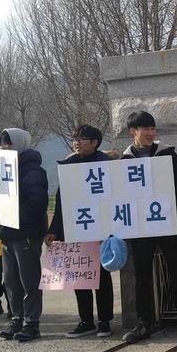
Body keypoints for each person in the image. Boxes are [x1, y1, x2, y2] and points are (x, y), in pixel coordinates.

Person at [120, 111, 177, 342]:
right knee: (142, 276)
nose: (150, 133)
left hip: (168, 225)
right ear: (132, 132)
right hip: (141, 229)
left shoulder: (167, 154)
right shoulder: (125, 161)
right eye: (145, 129)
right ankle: (144, 322)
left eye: (153, 129)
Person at [46, 124, 116, 338]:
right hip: (76, 228)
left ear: (95, 143)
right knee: (80, 275)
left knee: (102, 276)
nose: (76, 142)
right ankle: (86, 320)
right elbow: (61, 202)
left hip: (101, 229)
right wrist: (54, 230)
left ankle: (104, 320)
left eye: (82, 139)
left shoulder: (107, 166)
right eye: (74, 138)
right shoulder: (68, 166)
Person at [0, 128, 49, 342]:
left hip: (25, 232)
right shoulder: (2, 170)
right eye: (1, 144)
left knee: (29, 280)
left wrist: (12, 215)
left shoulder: (31, 170)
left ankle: (31, 322)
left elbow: (37, 203)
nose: (3, 148)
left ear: (18, 144)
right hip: (7, 233)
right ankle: (17, 318)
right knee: (10, 280)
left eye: (7, 143)